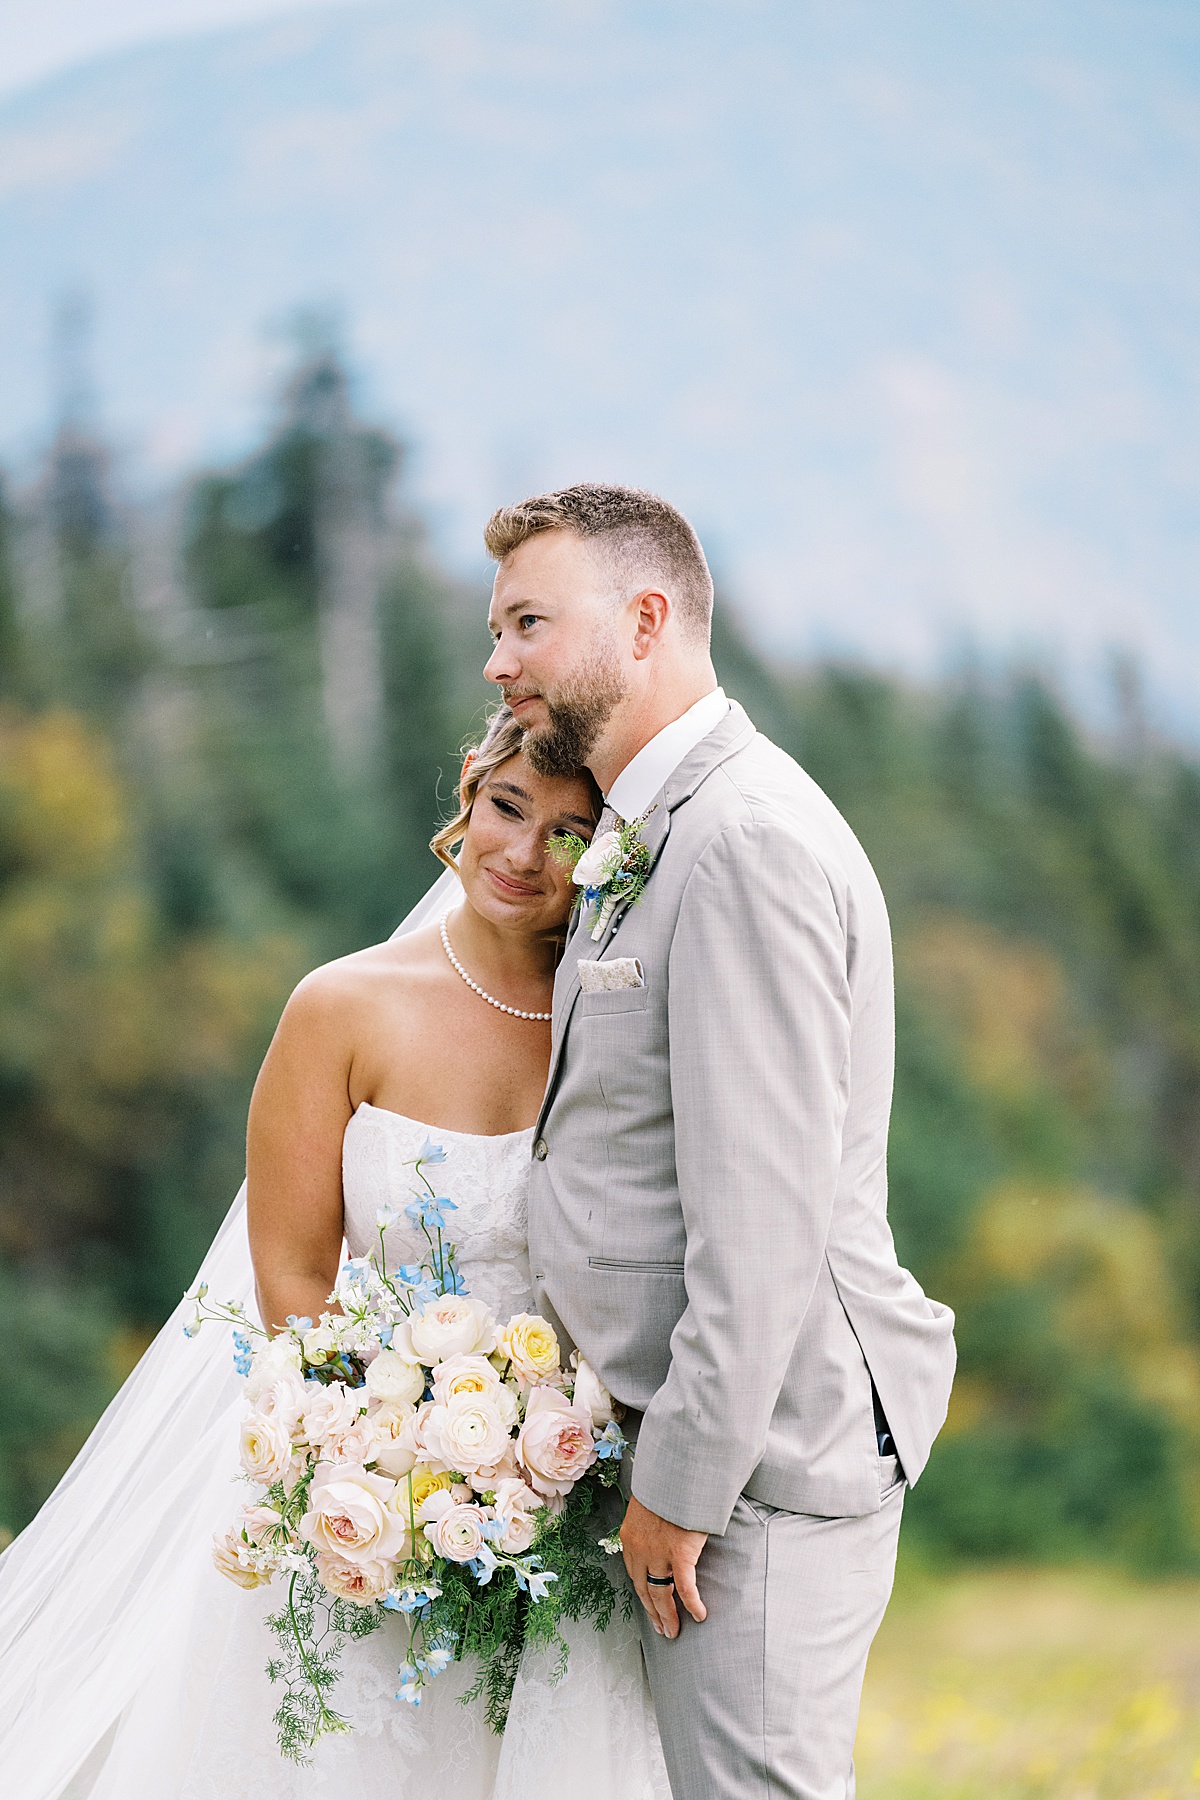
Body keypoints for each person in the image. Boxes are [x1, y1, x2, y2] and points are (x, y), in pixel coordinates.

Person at [0, 710, 672, 1800]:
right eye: (507, 809)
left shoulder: (622, 1018)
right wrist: (398, 1468)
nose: (519, 854)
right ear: (468, 787)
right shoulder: (344, 1007)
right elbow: (293, 1282)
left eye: (566, 833)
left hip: (575, 1496)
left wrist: (534, 1467)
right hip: (371, 1487)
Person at [482, 483, 958, 1800]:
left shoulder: (740, 840)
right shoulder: (656, 825)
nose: (497, 659)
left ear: (645, 621)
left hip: (755, 1465)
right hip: (705, 1449)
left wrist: (683, 1488)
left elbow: (760, 1224)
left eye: (528, 621)